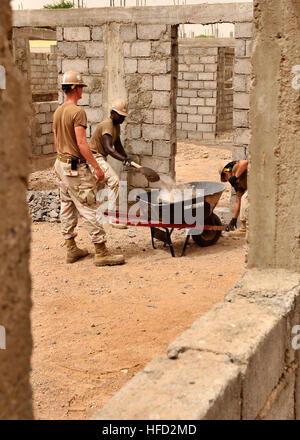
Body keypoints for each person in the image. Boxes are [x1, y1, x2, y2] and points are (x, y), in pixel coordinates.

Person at [53, 70, 125, 266]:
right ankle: (101, 252)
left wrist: (64, 157)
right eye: (81, 87)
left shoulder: (58, 111)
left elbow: (56, 139)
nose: (82, 91)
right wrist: (96, 168)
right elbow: (82, 143)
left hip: (60, 164)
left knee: (67, 206)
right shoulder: (78, 112)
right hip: (74, 168)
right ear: (75, 88)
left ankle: (71, 249)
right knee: (88, 206)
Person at [89, 98, 133, 228]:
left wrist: (126, 157)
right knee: (114, 182)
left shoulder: (116, 126)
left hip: (100, 157)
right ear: (113, 113)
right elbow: (109, 148)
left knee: (97, 187)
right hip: (95, 157)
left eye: (124, 117)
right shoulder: (107, 124)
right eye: (120, 116)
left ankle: (94, 214)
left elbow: (118, 145)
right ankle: (113, 219)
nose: (122, 119)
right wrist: (123, 160)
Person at [219, 159, 248, 233]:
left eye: (225, 177)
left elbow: (245, 162)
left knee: (245, 198)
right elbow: (238, 200)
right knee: (243, 198)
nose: (227, 180)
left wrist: (236, 176)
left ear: (226, 173)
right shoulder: (237, 183)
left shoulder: (236, 168)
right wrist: (233, 219)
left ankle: (245, 227)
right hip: (253, 189)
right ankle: (244, 227)